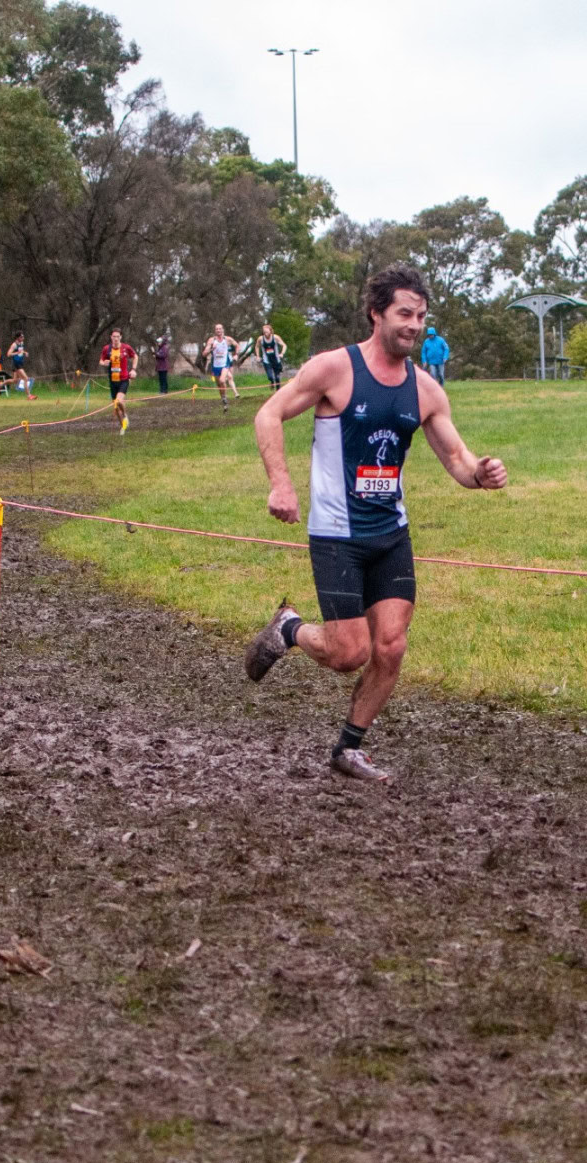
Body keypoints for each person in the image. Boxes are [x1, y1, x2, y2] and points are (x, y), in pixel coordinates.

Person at [244, 265, 507, 782]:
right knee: (348, 653)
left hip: (391, 535)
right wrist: (281, 483)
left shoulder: (426, 390)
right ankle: (289, 629)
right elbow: (267, 414)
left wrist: (480, 472)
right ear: (377, 313)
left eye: (422, 316)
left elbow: (456, 458)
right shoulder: (334, 370)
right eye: (404, 314)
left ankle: (349, 748)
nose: (414, 325)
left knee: (391, 645)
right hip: (337, 536)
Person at [98, 329, 137, 434]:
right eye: (114, 336)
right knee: (115, 408)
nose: (116, 338)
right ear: (111, 337)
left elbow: (135, 356)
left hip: (124, 379)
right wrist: (104, 363)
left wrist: (133, 369)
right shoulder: (107, 349)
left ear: (121, 337)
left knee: (118, 401)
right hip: (112, 381)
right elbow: (101, 361)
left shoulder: (126, 348)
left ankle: (125, 415)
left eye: (118, 336)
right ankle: (123, 427)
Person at [203, 324, 241, 410]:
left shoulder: (227, 339)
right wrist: (211, 349)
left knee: (222, 380)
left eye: (220, 329)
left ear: (223, 330)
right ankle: (224, 399)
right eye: (217, 329)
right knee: (219, 385)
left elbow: (237, 345)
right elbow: (204, 354)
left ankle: (228, 395)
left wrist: (236, 355)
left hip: (225, 364)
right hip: (216, 366)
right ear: (215, 331)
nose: (218, 330)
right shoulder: (211, 340)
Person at [250, 323, 290, 388]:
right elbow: (257, 346)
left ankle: (278, 391)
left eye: (266, 331)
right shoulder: (260, 339)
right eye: (264, 332)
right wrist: (257, 356)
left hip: (276, 359)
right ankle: (272, 382)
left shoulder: (275, 337)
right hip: (266, 360)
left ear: (270, 331)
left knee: (277, 377)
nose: (265, 333)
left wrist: (282, 353)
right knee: (270, 377)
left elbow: (284, 345)